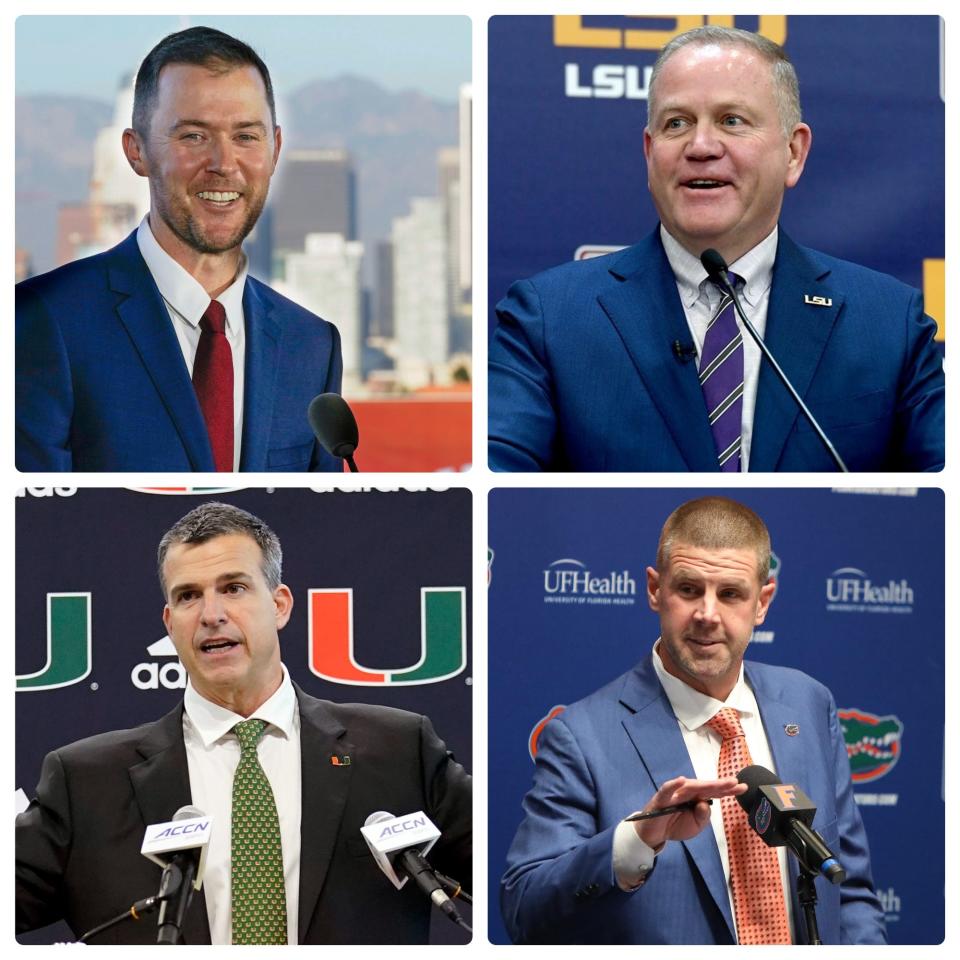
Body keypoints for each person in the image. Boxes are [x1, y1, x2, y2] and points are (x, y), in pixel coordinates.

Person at [488, 26, 943, 472]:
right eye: (677, 123)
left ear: (793, 153)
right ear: (650, 153)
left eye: (731, 120)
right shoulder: (548, 318)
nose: (701, 146)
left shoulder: (888, 322)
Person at [16, 502, 471, 944]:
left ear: (280, 605)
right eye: (189, 596)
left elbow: (513, 874)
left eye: (233, 588)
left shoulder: (399, 749)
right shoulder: (85, 781)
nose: (211, 615)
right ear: (170, 623)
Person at [500, 496, 885, 944]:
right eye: (688, 589)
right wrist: (635, 842)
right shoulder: (581, 737)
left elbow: (850, 889)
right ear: (654, 590)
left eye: (730, 594)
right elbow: (524, 910)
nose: (707, 614)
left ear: (762, 602)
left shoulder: (808, 703)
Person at [16, 27, 342, 472]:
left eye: (246, 136)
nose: (224, 164)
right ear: (137, 152)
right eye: (193, 136)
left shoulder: (312, 345)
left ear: (275, 149)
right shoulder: (42, 320)